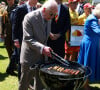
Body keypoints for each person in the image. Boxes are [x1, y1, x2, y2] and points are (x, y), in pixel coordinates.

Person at [19, 0, 58, 90]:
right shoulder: (29, 17)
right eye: (51, 14)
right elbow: (27, 38)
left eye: (54, 15)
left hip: (42, 57)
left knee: (40, 83)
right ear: (44, 9)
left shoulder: (48, 17)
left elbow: (43, 33)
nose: (52, 17)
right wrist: (43, 48)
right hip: (29, 57)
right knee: (24, 83)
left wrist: (50, 35)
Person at [11, 0, 37, 80]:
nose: (37, 1)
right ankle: (21, 79)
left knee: (30, 59)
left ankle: (29, 78)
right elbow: (15, 24)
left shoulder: (35, 9)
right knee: (21, 60)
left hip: (31, 39)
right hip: (20, 38)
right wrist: (15, 39)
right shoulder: (20, 8)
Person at [78, 3, 100, 90]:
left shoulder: (93, 18)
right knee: (87, 64)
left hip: (92, 44)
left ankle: (86, 84)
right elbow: (98, 31)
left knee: (89, 63)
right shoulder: (92, 19)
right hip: (89, 45)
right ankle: (84, 85)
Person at [2, 0, 17, 75]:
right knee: (8, 47)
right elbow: (3, 21)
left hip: (14, 31)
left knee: (15, 48)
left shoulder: (17, 7)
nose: (9, 1)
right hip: (7, 31)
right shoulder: (5, 8)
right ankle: (12, 64)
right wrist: (2, 32)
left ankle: (13, 64)